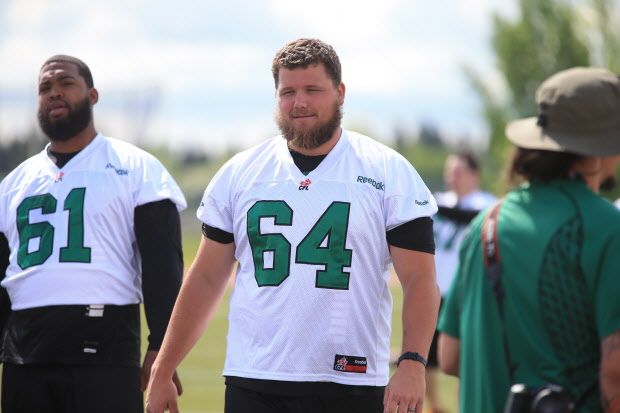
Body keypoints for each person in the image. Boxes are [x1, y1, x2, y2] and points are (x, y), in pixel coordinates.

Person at [146, 38, 440, 413]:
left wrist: (413, 362)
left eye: (312, 90)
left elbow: (419, 280)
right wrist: (163, 366)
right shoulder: (242, 172)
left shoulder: (387, 170)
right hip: (255, 377)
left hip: (350, 378)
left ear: (340, 93)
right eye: (288, 92)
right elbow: (205, 277)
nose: (299, 102)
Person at [0, 55, 186, 412]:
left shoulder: (136, 167)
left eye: (66, 84)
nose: (55, 93)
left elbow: (163, 265)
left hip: (105, 347)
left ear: (92, 95)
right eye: (45, 88)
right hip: (24, 352)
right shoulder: (15, 183)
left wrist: (162, 346)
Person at [437, 67, 620, 413]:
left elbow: (450, 356)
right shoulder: (607, 227)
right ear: (600, 148)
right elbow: (616, 371)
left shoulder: (484, 224)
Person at [427, 152, 495, 412]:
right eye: (449, 171)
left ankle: (463, 404)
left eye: (458, 171)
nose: (451, 176)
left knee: (465, 355)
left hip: (466, 293)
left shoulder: (486, 204)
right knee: (426, 355)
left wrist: (434, 207)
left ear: (474, 175)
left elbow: (464, 217)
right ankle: (434, 405)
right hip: (435, 289)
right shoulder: (438, 202)